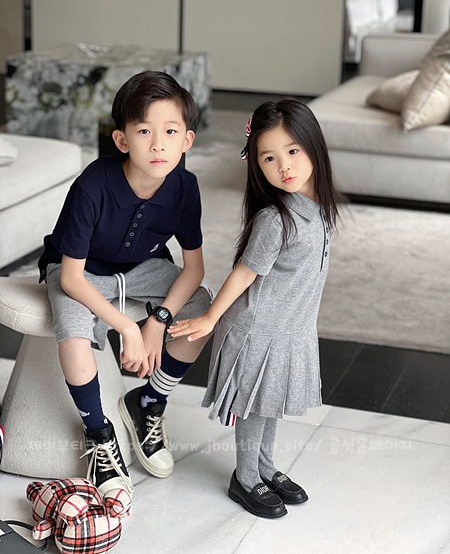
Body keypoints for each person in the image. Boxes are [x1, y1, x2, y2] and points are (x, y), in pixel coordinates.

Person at [38, 71, 211, 505]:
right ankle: (98, 433)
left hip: (143, 269)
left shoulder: (185, 187)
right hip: (79, 270)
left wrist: (159, 320)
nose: (158, 145)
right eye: (144, 131)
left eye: (170, 132)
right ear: (122, 140)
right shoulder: (93, 184)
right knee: (73, 331)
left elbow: (193, 270)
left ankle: (148, 402)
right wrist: (128, 327)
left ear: (187, 140)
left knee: (202, 306)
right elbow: (71, 277)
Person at [168, 99, 339, 519]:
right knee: (254, 405)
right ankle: (245, 478)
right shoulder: (276, 220)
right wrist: (210, 317)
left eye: (293, 150)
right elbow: (244, 274)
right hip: (257, 330)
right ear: (256, 164)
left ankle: (265, 466)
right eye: (269, 157)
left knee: (270, 401)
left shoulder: (317, 210)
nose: (284, 166)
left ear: (314, 146)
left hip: (289, 327)